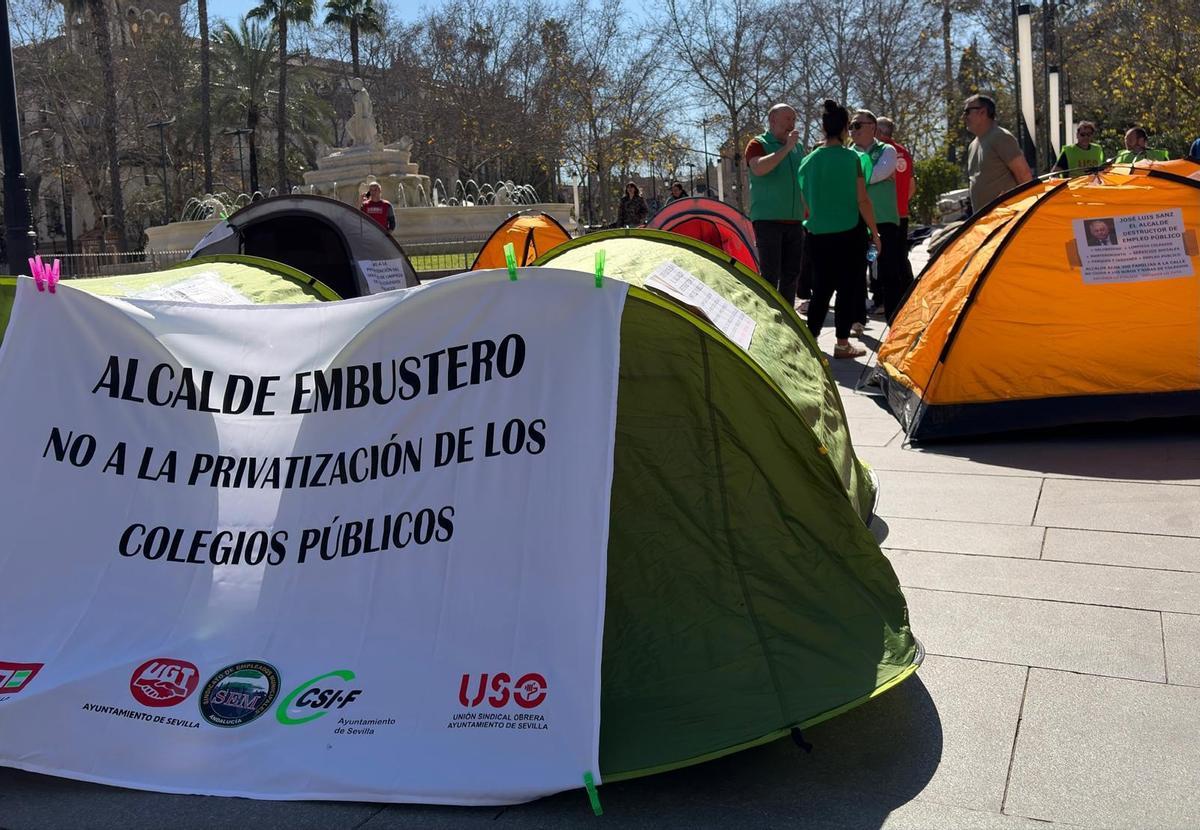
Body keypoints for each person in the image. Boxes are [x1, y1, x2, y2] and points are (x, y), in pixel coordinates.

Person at [799, 99, 882, 360]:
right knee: (847, 288)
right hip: (849, 232)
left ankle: (812, 343)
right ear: (846, 128)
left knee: (820, 289)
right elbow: (862, 200)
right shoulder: (852, 159)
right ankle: (842, 343)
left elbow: (805, 204)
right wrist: (875, 233)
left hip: (817, 234)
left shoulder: (808, 162)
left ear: (823, 128)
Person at [851, 110, 907, 324]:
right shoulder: (849, 153)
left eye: (857, 125)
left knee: (889, 272)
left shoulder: (887, 150)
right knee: (856, 271)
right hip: (857, 221)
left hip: (884, 221)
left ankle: (894, 321)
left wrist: (855, 178)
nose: (852, 130)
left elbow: (879, 173)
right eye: (851, 126)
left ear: (871, 127)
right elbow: (872, 176)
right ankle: (857, 320)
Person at [746, 103, 805, 306]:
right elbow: (759, 169)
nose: (792, 124)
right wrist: (787, 148)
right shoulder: (757, 144)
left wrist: (808, 211)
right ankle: (769, 315)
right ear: (773, 120)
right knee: (770, 275)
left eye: (794, 119)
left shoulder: (798, 148)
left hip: (795, 220)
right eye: (787, 119)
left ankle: (788, 317)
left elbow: (802, 181)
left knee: (791, 275)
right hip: (768, 220)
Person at [964, 94, 1033, 212]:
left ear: (982, 112)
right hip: (984, 222)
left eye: (967, 111)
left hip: (1006, 219)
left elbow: (1024, 176)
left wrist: (1026, 212)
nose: (964, 117)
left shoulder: (1001, 137)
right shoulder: (973, 145)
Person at [876, 116, 915, 297]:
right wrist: (901, 204)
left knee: (882, 258)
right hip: (901, 213)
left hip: (883, 214)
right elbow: (911, 186)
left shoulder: (879, 153)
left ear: (880, 132)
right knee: (900, 256)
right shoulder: (904, 152)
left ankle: (884, 298)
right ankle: (908, 292)